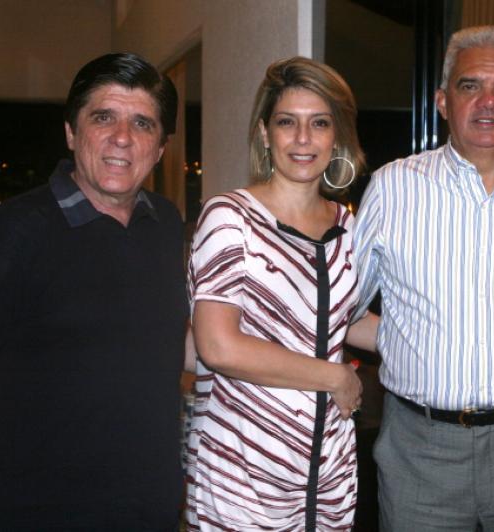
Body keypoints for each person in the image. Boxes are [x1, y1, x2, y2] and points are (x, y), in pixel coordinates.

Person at [353, 25, 494, 530]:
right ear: (442, 100)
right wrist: (405, 338)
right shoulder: (393, 187)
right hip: (419, 448)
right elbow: (342, 307)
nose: (487, 101)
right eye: (470, 85)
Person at [0, 53, 188, 530]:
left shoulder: (166, 224)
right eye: (103, 117)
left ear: (161, 148)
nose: (122, 137)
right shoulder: (16, 232)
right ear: (71, 133)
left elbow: (170, 342)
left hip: (152, 516)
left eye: (142, 123)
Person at [185, 56, 378, 531]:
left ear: (337, 137)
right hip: (242, 473)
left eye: (320, 123)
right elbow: (218, 346)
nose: (303, 138)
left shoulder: (347, 225)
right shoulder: (230, 218)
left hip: (328, 473)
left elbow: (339, 318)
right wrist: (333, 376)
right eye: (287, 122)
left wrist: (436, 340)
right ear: (265, 134)